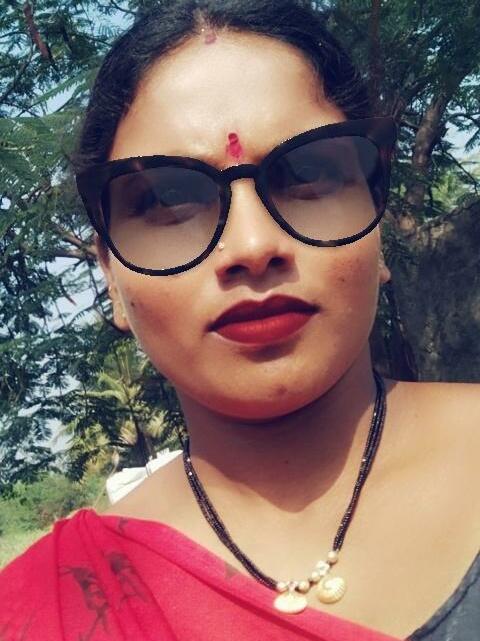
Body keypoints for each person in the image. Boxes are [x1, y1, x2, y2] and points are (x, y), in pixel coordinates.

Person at [0, 1, 478, 640]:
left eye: (307, 174)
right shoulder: (42, 610)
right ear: (111, 276)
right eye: (169, 199)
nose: (253, 246)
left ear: (378, 224)